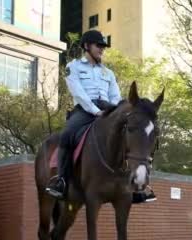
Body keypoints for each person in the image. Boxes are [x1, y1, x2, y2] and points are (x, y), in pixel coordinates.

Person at [45, 29, 155, 203]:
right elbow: (78, 93)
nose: (102, 50)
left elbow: (115, 96)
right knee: (66, 135)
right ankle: (61, 181)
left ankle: (136, 186)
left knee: (131, 134)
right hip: (83, 110)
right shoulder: (73, 67)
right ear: (87, 46)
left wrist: (116, 112)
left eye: (103, 47)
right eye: (99, 46)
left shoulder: (108, 73)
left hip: (107, 110)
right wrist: (95, 111)